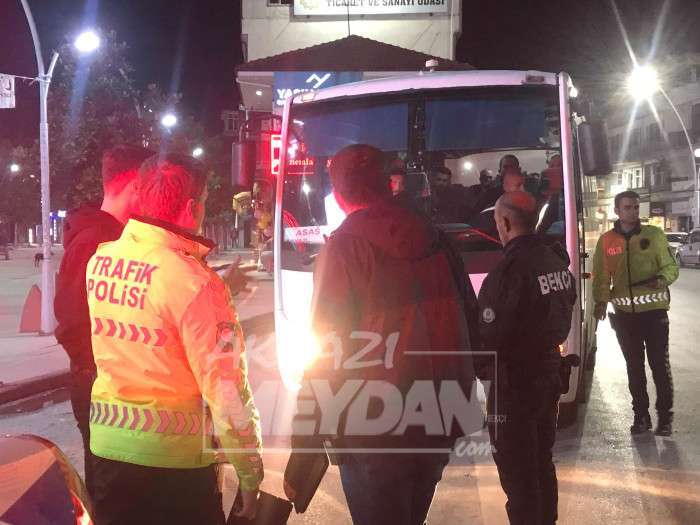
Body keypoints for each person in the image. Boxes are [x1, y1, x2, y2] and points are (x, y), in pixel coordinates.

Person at [284, 144, 481, 525]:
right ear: (389, 184)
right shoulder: (437, 239)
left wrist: (306, 439)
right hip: (439, 414)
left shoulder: (345, 248)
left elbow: (326, 348)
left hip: (374, 425)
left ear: (338, 194)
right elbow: (470, 322)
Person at [86, 153, 263, 524]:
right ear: (191, 208)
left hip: (108, 457)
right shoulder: (196, 284)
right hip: (175, 469)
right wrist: (249, 472)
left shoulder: (101, 261)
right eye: (204, 201)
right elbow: (227, 390)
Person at [54, 145, 152, 498]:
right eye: (151, 187)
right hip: (102, 391)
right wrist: (108, 370)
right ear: (136, 186)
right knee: (112, 494)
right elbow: (71, 324)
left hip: (110, 388)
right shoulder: (97, 242)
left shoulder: (114, 237)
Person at [477, 191, 576, 525]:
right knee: (541, 462)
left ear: (505, 222)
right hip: (548, 376)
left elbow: (490, 336)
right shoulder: (555, 262)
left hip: (515, 385)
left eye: (496, 221)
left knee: (518, 474)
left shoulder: (509, 272)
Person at [592, 190, 678, 436]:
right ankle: (641, 416)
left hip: (654, 313)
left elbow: (670, 266)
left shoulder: (654, 235)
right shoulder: (606, 241)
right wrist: (601, 302)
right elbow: (601, 276)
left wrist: (662, 279)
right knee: (634, 367)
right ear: (617, 211)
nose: (633, 211)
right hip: (624, 316)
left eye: (636, 207)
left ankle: (665, 418)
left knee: (659, 365)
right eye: (627, 207)